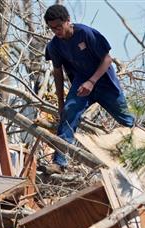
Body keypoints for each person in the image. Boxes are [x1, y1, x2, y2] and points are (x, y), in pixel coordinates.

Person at [44, 4, 134, 172]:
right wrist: (61, 103)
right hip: (81, 85)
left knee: (127, 121)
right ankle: (59, 162)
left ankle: (140, 152)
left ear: (68, 21)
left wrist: (92, 82)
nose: (56, 31)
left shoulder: (85, 33)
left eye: (58, 26)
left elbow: (107, 60)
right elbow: (57, 73)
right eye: (52, 28)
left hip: (104, 83)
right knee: (69, 113)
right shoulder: (54, 46)